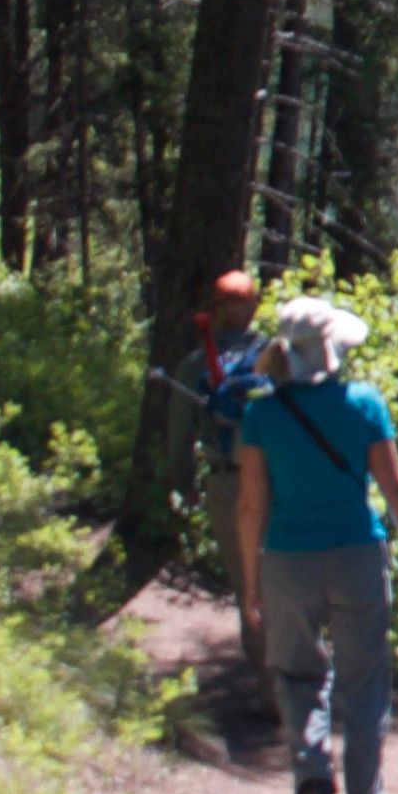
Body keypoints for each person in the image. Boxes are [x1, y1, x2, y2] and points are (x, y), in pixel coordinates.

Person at [230, 294, 398, 794]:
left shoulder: (261, 414)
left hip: (288, 560)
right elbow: (396, 487)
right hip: (357, 557)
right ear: (332, 349)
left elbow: (250, 506)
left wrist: (250, 584)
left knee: (295, 676)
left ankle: (314, 770)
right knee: (366, 690)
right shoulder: (364, 403)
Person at [163, 269, 270, 662]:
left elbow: (179, 432)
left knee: (249, 588)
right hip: (278, 482)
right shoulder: (275, 355)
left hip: (227, 484)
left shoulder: (195, 365)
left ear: (216, 309)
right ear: (254, 306)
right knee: (283, 583)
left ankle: (272, 689)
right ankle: (296, 688)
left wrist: (183, 481)